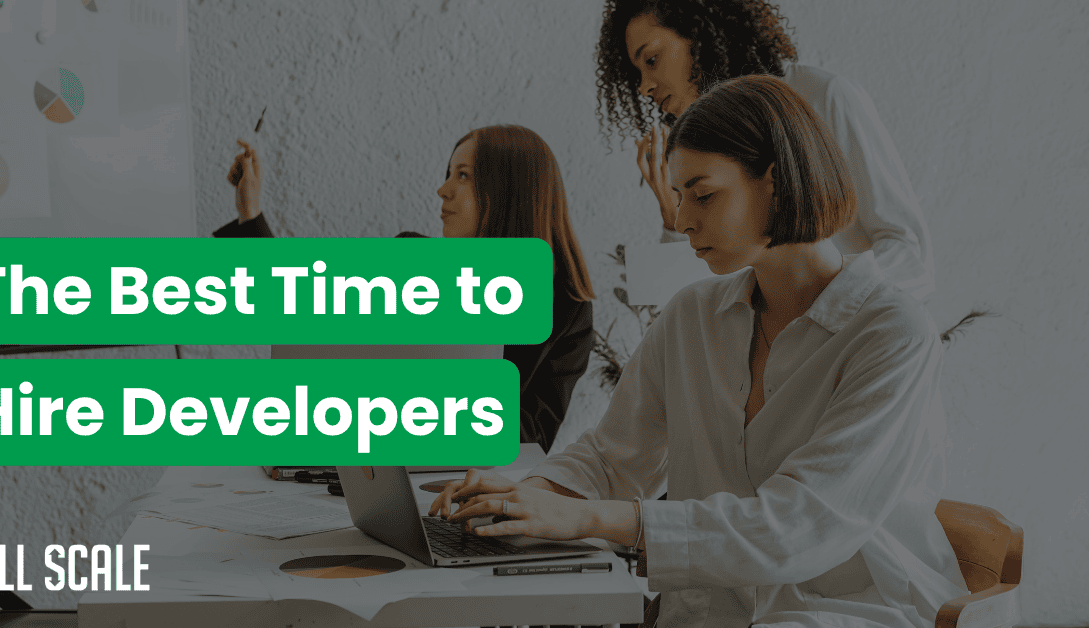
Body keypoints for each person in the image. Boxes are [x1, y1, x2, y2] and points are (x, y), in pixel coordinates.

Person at [431, 76, 968, 628]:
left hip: (847, 612)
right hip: (711, 612)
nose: (683, 219)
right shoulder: (691, 315)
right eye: (679, 196)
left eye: (703, 194)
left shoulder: (893, 334)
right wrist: (523, 495)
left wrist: (584, 517)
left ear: (777, 183)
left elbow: (795, 528)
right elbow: (613, 457)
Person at [215, 126, 597, 454]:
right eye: (449, 173)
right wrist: (249, 210)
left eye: (463, 176)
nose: (442, 189)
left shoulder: (568, 310)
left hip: (466, 486)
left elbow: (533, 440)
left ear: (508, 192)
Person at [596, 0, 936, 301]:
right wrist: (673, 217)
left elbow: (909, 252)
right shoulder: (698, 148)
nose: (644, 87)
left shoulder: (823, 98)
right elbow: (698, 297)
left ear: (699, 35)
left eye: (652, 59)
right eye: (637, 72)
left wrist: (822, 307)